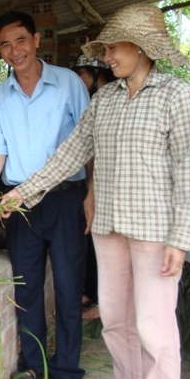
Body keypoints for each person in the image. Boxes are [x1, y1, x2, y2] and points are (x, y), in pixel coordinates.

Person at [1, 2, 190, 379]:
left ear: (142, 48)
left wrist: (180, 240)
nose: (106, 58)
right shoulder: (106, 99)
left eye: (113, 49)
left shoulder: (175, 95)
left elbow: (189, 169)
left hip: (153, 232)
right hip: (109, 231)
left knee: (153, 328)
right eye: (105, 51)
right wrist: (23, 192)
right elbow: (69, 154)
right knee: (116, 324)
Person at [0, 10, 91, 379]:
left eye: (20, 40)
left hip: (67, 199)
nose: (14, 50)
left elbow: (90, 144)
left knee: (70, 289)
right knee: (27, 287)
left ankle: (68, 371)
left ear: (36, 40)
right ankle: (35, 363)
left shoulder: (68, 84)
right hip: (19, 203)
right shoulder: (0, 97)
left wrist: (92, 194)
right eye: (4, 44)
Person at [71, 54, 117, 321]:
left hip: (108, 184)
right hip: (95, 181)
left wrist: (93, 186)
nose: (78, 79)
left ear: (96, 73)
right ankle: (92, 292)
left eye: (81, 73)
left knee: (103, 240)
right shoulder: (97, 99)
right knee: (91, 236)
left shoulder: (109, 99)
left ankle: (103, 303)